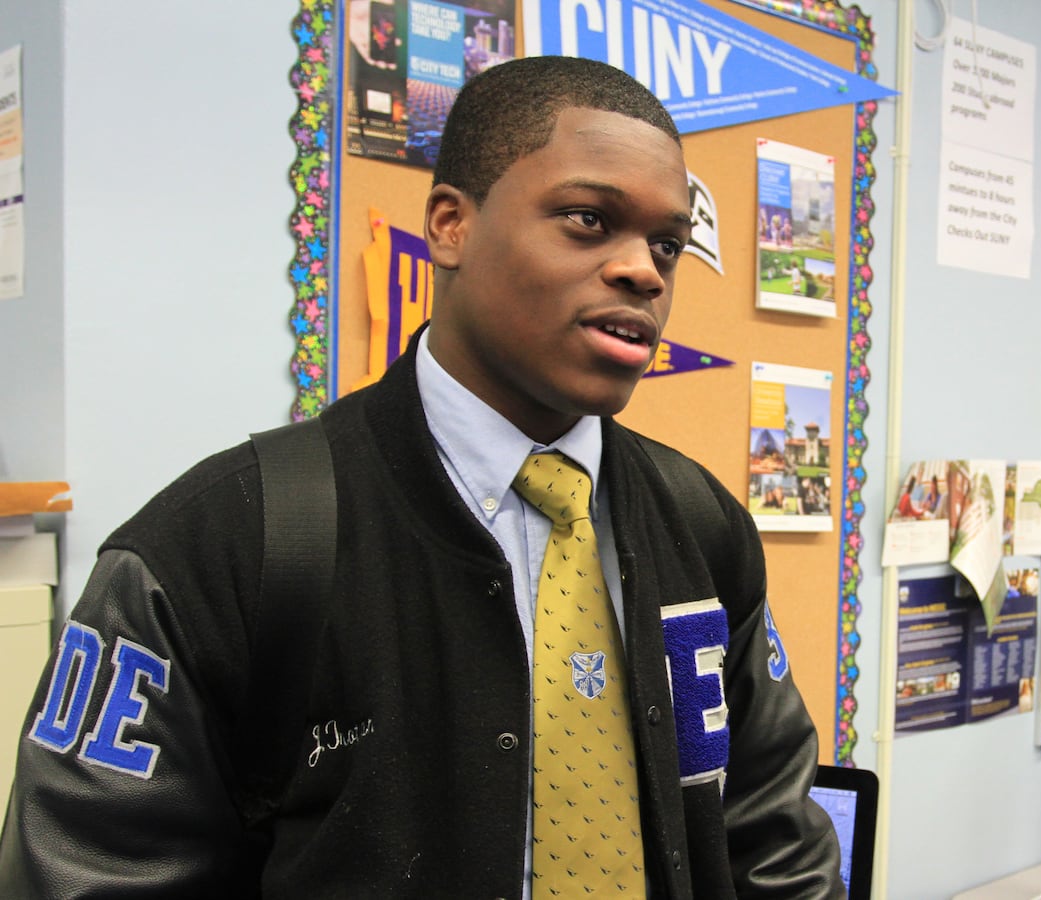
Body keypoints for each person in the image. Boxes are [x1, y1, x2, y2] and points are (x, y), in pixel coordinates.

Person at [0, 56, 842, 899]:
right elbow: (86, 870)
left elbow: (774, 839)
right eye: (588, 220)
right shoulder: (225, 544)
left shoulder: (701, 527)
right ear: (450, 226)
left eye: (666, 244)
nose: (645, 272)